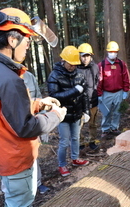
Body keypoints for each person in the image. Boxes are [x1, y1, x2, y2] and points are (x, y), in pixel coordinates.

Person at [0, 8, 66, 206]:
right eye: (27, 41)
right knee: (21, 202)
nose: (28, 46)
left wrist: (38, 104)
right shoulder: (8, 78)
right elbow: (26, 126)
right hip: (14, 158)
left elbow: (2, 109)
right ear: (12, 40)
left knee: (12, 198)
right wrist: (56, 115)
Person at [47, 46, 91, 176]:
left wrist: (86, 111)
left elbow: (84, 95)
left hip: (77, 113)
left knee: (76, 138)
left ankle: (75, 158)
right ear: (63, 60)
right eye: (70, 64)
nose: (72, 67)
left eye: (74, 64)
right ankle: (62, 165)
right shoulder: (54, 75)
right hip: (62, 115)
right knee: (64, 141)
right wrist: (74, 91)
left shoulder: (80, 75)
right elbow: (54, 96)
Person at [23, 69, 51, 195]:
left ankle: (37, 183)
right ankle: (23, 189)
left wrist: (43, 125)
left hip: (32, 123)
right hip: (15, 127)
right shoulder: (2, 77)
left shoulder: (29, 76)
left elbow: (40, 101)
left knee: (34, 155)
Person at [97, 41, 130, 139]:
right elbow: (99, 80)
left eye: (114, 51)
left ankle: (114, 127)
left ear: (117, 52)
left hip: (119, 92)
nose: (112, 53)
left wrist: (126, 90)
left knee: (117, 112)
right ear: (107, 52)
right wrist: (99, 94)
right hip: (106, 93)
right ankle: (105, 129)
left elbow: (126, 77)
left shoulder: (121, 64)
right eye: (110, 51)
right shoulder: (102, 65)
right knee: (106, 112)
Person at [77, 43, 99, 151]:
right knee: (79, 125)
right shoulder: (75, 68)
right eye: (83, 56)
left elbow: (97, 81)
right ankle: (80, 142)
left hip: (92, 101)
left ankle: (92, 141)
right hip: (80, 102)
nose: (85, 58)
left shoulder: (95, 67)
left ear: (91, 56)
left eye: (87, 56)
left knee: (93, 123)